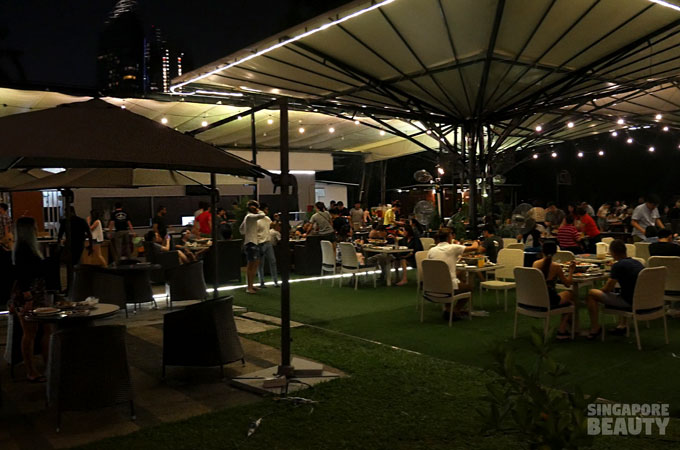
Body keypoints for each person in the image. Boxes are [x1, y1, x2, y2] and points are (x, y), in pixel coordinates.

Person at [8, 217, 52, 382]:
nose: (37, 228)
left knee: (45, 329)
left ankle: (46, 365)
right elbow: (22, 274)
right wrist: (27, 296)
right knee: (30, 332)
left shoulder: (24, 248)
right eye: (34, 226)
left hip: (36, 292)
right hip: (30, 294)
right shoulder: (24, 249)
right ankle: (31, 370)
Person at [585, 239, 644, 339]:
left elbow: (608, 288)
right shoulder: (637, 263)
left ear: (612, 252)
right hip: (642, 299)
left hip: (628, 302)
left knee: (592, 293)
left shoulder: (618, 265)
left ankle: (595, 328)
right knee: (622, 290)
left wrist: (600, 290)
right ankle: (622, 325)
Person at [427, 229, 477, 320]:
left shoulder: (431, 250)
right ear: (449, 237)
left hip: (432, 287)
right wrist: (476, 241)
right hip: (448, 286)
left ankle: (448, 308)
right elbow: (474, 248)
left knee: (455, 277)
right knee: (469, 288)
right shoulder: (453, 247)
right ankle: (455, 310)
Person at [532, 241, 575, 340]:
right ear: (555, 252)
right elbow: (568, 284)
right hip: (549, 299)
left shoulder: (535, 264)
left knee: (569, 299)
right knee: (571, 296)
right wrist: (571, 271)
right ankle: (562, 329)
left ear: (542, 250)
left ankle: (567, 328)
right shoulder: (556, 267)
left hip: (536, 297)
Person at [58, 207, 93, 292]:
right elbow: (89, 233)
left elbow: (60, 235)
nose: (65, 213)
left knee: (69, 265)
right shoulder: (81, 221)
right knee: (75, 264)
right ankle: (76, 285)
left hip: (69, 245)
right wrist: (90, 246)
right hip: (79, 245)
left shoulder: (65, 222)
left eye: (66, 211)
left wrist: (58, 246)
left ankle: (70, 286)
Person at [239, 200, 265, 294]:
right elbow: (262, 215)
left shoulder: (248, 217)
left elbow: (241, 229)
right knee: (251, 265)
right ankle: (249, 287)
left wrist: (247, 233)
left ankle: (251, 285)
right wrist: (258, 210)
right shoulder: (250, 216)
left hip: (252, 242)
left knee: (255, 264)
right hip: (251, 243)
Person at [256, 203, 279, 288]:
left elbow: (272, 225)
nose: (267, 211)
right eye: (266, 209)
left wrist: (276, 220)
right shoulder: (256, 220)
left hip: (268, 242)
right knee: (261, 264)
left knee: (273, 261)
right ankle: (261, 282)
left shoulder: (267, 218)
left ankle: (275, 281)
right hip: (260, 243)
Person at [0, 202, 13, 308]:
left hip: (3, 243)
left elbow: (6, 230)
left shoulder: (3, 217)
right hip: (6, 244)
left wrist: (5, 240)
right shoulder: (7, 217)